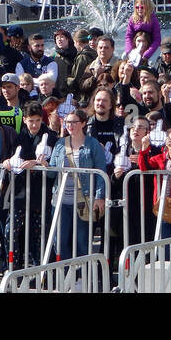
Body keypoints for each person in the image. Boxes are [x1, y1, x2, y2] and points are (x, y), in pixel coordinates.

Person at [45, 108, 108, 261]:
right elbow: (52, 173)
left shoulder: (92, 144)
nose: (70, 126)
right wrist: (43, 165)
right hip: (61, 200)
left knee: (82, 242)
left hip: (84, 200)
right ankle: (65, 276)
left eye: (74, 122)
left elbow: (101, 170)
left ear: (83, 123)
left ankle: (83, 277)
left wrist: (100, 196)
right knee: (60, 241)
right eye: (68, 122)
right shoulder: (60, 144)